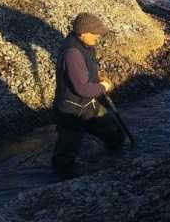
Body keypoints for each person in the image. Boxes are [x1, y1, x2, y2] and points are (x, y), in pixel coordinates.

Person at [51, 13, 123, 179]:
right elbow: (82, 88)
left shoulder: (86, 44)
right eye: (95, 32)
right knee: (65, 157)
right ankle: (60, 185)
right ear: (83, 32)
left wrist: (97, 78)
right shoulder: (72, 53)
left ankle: (118, 163)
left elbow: (85, 72)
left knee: (114, 134)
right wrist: (102, 87)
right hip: (71, 110)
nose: (98, 36)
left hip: (88, 105)